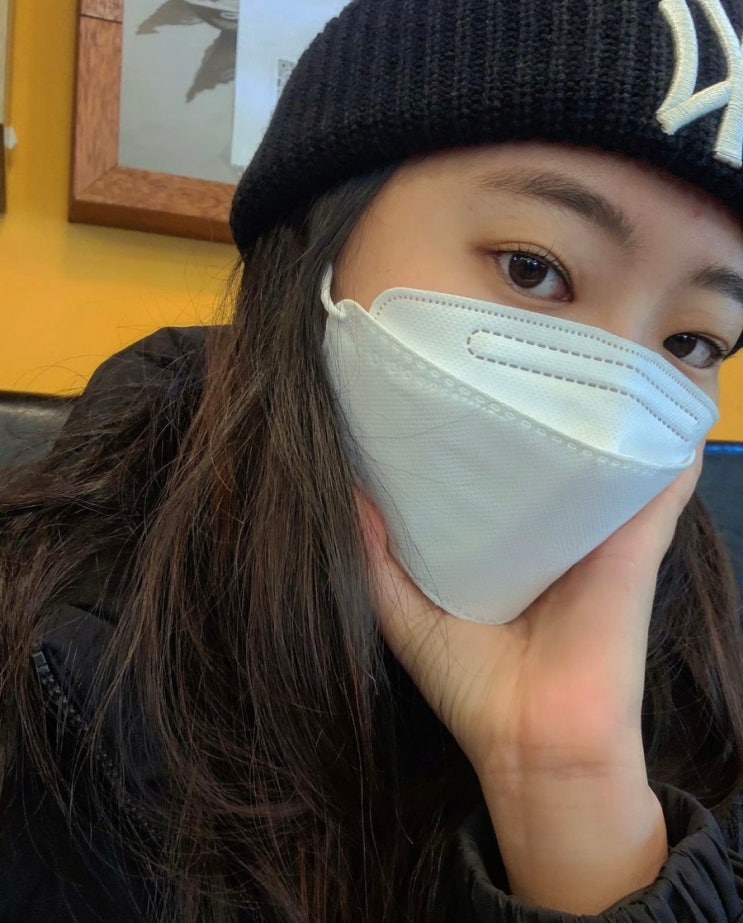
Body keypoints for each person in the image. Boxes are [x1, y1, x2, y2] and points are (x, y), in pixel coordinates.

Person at [3, 0, 743, 919]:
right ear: (320, 241)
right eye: (531, 267)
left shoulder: (698, 660)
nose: (608, 416)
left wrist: (568, 779)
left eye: (692, 342)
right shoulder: (64, 671)